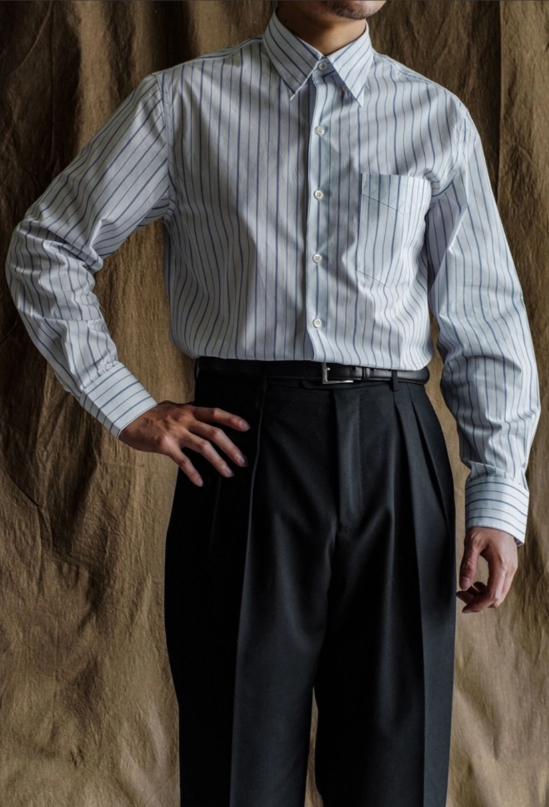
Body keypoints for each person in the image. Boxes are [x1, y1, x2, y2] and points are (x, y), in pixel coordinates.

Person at [5, 2, 541, 806]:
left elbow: (486, 319)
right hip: (241, 451)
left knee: (397, 773)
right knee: (239, 766)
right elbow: (47, 247)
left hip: (396, 454)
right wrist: (126, 403)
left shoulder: (436, 118)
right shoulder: (182, 105)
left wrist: (497, 494)